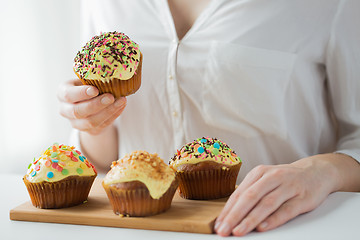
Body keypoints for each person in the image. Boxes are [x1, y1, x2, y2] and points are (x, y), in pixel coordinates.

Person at [57, 0, 360, 237]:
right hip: (134, 227)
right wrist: (91, 121)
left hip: (279, 228)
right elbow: (103, 158)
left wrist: (321, 171)